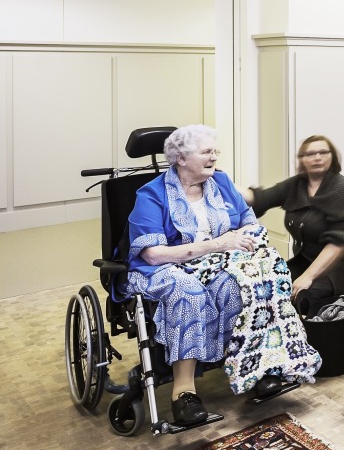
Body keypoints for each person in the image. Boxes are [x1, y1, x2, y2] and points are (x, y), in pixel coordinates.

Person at [124, 125, 321, 425]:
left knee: (250, 283)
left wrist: (244, 238)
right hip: (166, 267)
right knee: (188, 292)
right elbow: (153, 254)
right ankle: (184, 392)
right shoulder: (151, 194)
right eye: (206, 152)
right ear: (181, 159)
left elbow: (248, 221)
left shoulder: (221, 182)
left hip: (217, 261)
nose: (214, 157)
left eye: (215, 151)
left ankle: (257, 367)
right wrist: (218, 244)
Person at [241, 134, 344, 317]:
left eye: (323, 152)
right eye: (310, 154)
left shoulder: (342, 187)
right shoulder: (297, 184)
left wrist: (307, 277)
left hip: (342, 266)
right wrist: (221, 179)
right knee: (268, 287)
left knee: (303, 299)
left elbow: (339, 242)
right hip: (306, 260)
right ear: (302, 159)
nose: (317, 157)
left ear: (332, 156)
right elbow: (260, 198)